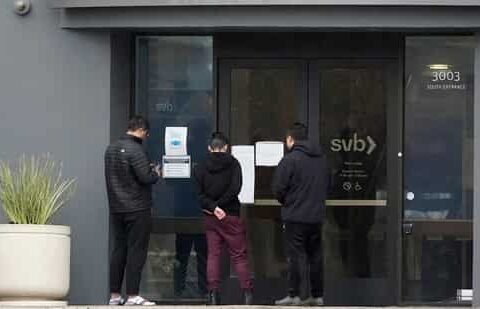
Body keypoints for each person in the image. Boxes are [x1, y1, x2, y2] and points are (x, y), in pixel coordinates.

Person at [105, 116, 161, 306]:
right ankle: (132, 295)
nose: (146, 137)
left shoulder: (111, 149)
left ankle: (114, 295)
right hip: (137, 208)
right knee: (136, 251)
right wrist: (156, 173)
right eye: (146, 133)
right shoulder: (136, 150)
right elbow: (145, 178)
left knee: (119, 249)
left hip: (117, 208)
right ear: (142, 130)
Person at [194, 132, 253, 305]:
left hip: (211, 217)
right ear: (226, 147)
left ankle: (212, 294)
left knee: (213, 255)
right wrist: (222, 206)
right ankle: (247, 294)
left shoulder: (200, 166)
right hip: (231, 215)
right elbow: (236, 188)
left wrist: (214, 207)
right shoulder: (234, 164)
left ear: (209, 148)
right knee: (239, 256)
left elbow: (198, 194)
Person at [272, 123, 329, 306]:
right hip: (316, 216)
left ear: (291, 139)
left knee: (295, 256)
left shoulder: (290, 160)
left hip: (295, 216)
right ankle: (316, 295)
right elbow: (330, 185)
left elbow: (278, 188)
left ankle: (295, 294)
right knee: (316, 256)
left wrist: (287, 202)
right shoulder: (322, 160)